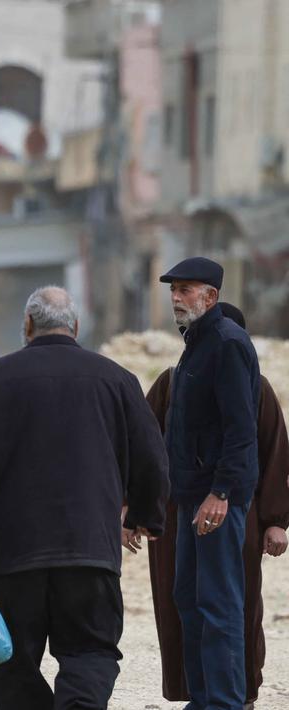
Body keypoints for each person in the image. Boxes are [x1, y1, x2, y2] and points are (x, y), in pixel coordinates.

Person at [0, 286, 168, 710]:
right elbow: (153, 459)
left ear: (27, 325)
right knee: (90, 650)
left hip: (17, 551)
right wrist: (144, 516)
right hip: (90, 548)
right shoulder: (117, 378)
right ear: (76, 326)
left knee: (15, 660)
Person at [139, 301, 289, 709]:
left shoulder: (256, 388)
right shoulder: (173, 382)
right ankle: (200, 696)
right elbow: (147, 449)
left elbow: (272, 453)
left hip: (233, 515)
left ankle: (236, 697)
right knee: (184, 602)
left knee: (233, 607)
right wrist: (135, 507)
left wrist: (276, 520)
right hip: (176, 516)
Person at [150, 257, 262, 709]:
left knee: (219, 604)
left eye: (186, 289)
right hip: (190, 498)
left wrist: (221, 493)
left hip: (216, 500)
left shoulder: (227, 343)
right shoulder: (195, 343)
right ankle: (204, 698)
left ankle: (224, 702)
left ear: (211, 296)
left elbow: (241, 430)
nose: (176, 297)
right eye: (173, 289)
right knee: (189, 598)